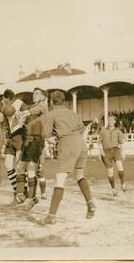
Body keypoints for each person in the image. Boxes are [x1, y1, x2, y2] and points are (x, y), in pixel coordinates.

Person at [40, 90, 95, 225]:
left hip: (68, 143)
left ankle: (51, 216)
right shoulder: (72, 112)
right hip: (81, 143)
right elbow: (82, 129)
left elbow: (46, 135)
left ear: (51, 102)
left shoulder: (51, 114)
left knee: (60, 180)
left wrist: (53, 139)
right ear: (63, 101)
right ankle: (90, 203)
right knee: (80, 175)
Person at [15, 87, 48, 209]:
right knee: (19, 167)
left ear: (43, 96)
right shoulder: (31, 108)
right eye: (33, 93)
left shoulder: (44, 105)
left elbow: (35, 110)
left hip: (36, 140)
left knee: (31, 169)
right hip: (27, 140)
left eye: (37, 93)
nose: (34, 95)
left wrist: (24, 112)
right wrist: (20, 117)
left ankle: (32, 198)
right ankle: (21, 194)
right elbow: (23, 121)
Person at [98, 115, 126, 196]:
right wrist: (101, 152)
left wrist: (123, 153)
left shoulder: (118, 131)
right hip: (106, 152)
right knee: (110, 171)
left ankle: (123, 183)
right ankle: (113, 189)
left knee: (120, 166)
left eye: (112, 120)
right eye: (109, 120)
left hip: (116, 150)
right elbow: (99, 143)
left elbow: (122, 143)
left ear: (114, 121)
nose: (110, 121)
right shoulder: (103, 130)